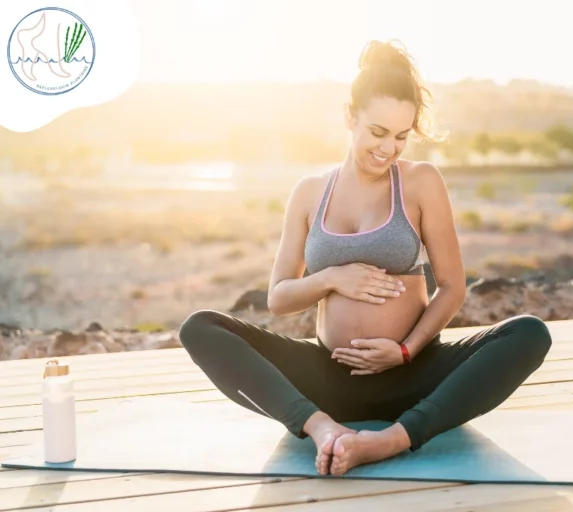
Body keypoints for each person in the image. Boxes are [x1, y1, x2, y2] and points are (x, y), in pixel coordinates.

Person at [178, 40, 552, 477]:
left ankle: (393, 439)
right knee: (200, 328)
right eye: (377, 132)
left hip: (415, 376)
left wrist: (406, 351)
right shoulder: (309, 192)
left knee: (529, 334)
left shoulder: (420, 182)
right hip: (326, 379)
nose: (388, 148)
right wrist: (331, 278)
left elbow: (452, 286)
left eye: (400, 136)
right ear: (349, 117)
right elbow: (278, 299)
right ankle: (322, 430)